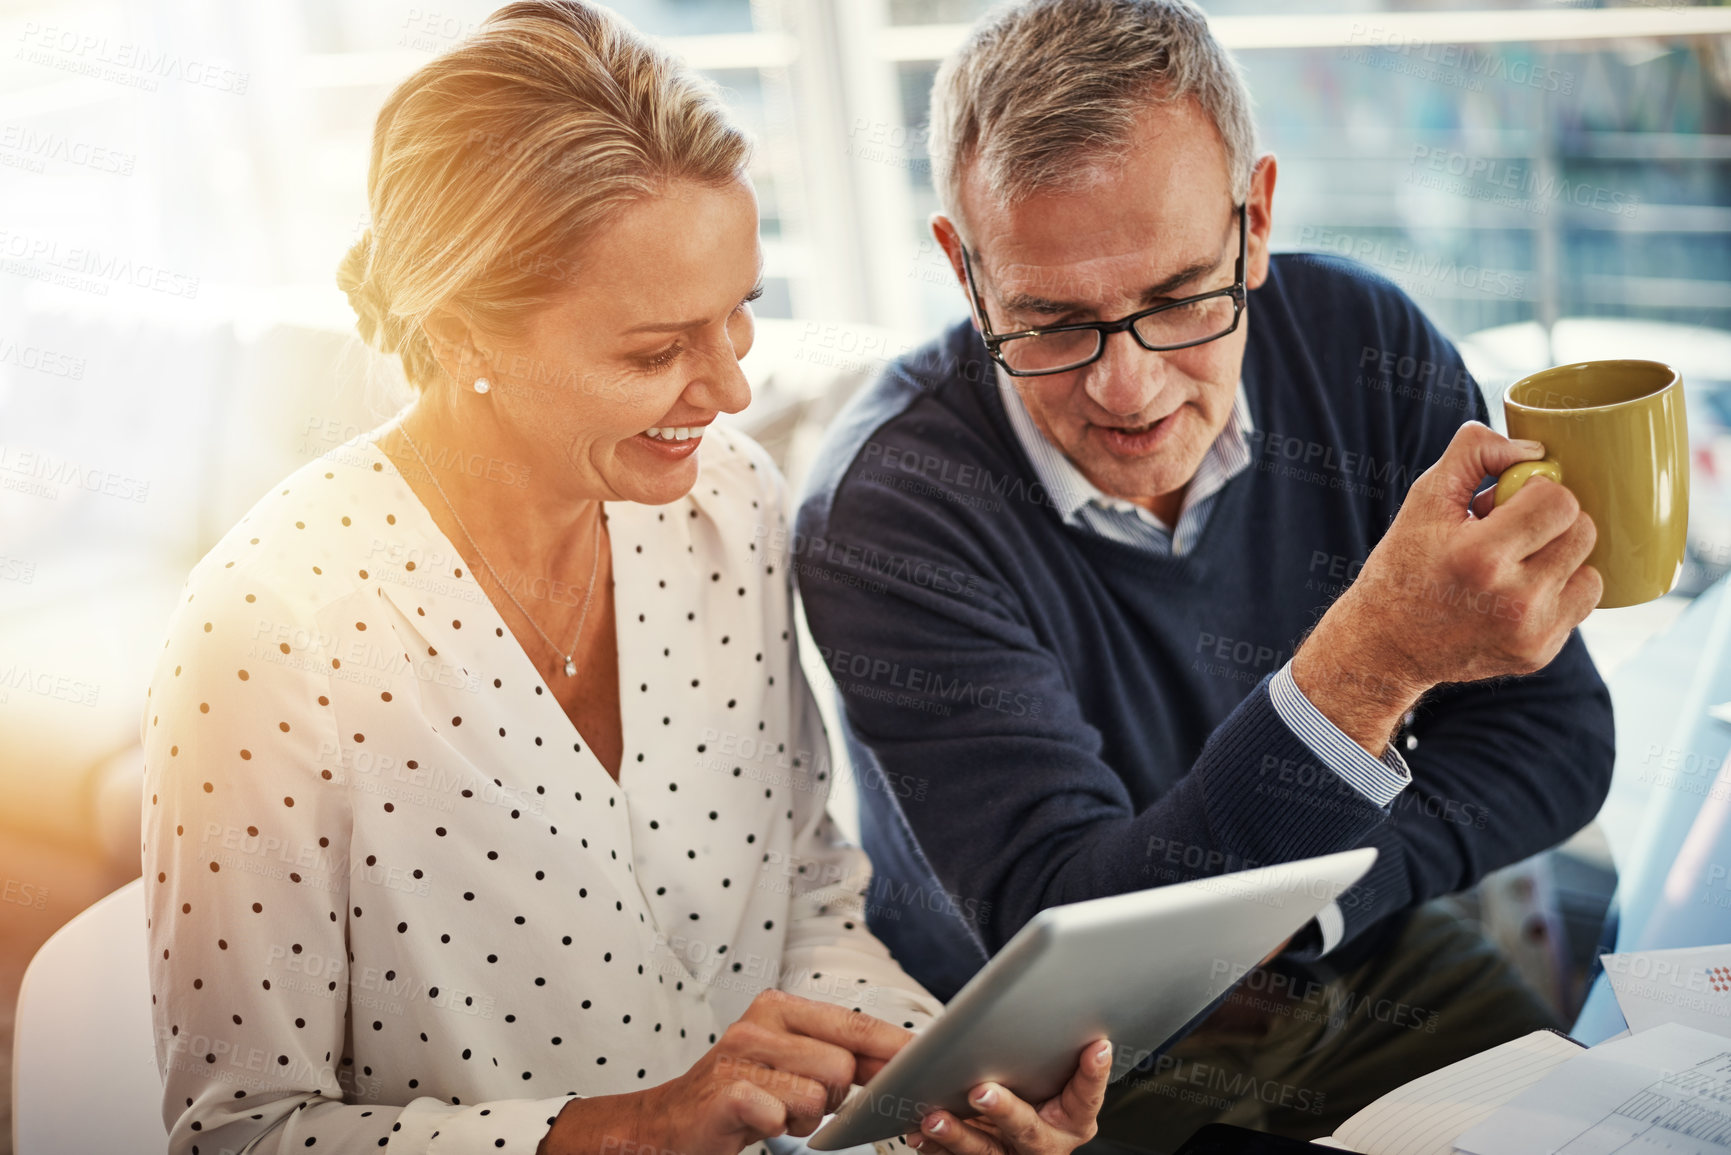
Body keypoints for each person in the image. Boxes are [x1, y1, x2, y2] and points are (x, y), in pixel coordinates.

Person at [139, 4, 1113, 1154]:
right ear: (464, 336)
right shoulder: (273, 628)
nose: (730, 391)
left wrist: (947, 1098)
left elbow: (806, 909)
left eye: (741, 314)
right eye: (654, 352)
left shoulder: (725, 503)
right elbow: (239, 1132)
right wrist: (628, 1130)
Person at [792, 0, 1614, 1148]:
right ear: (965, 272)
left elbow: (1557, 739)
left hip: (1375, 963)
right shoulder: (889, 508)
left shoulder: (1363, 341)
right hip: (1064, 1082)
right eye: (1050, 320)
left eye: (1180, 298)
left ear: (1257, 217)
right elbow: (1071, 950)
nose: (1127, 389)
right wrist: (1370, 660)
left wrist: (1319, 912)